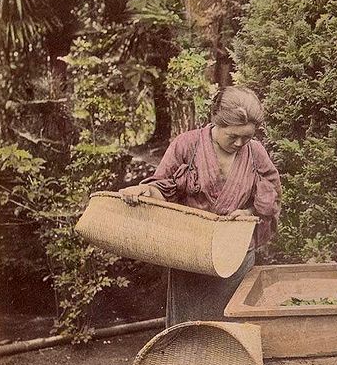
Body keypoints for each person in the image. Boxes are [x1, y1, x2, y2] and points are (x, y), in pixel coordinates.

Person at [119, 86, 281, 327]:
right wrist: (144, 191)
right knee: (189, 329)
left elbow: (271, 194)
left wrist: (249, 213)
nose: (239, 143)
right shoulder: (187, 145)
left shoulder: (255, 152)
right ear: (216, 121)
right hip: (191, 253)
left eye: (246, 137)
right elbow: (162, 188)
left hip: (235, 254)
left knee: (231, 327)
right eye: (232, 136)